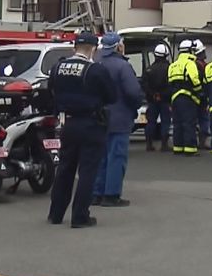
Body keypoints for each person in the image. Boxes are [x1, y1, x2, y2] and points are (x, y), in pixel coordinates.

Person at [47, 32, 115, 229]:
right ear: (94, 49)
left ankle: (56, 213)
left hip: (67, 123)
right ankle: (80, 216)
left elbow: (51, 91)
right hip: (91, 125)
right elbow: (112, 96)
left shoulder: (58, 67)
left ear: (74, 47)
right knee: (87, 172)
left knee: (65, 169)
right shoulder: (95, 70)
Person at [91, 33, 144, 207]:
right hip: (119, 118)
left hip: (98, 118)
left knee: (100, 157)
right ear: (118, 47)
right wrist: (134, 108)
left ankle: (96, 192)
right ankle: (111, 194)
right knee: (116, 156)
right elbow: (133, 92)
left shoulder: (95, 64)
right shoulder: (123, 66)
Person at [169, 39, 203, 155]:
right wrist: (199, 92)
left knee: (177, 123)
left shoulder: (173, 65)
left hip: (175, 98)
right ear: (189, 51)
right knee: (189, 123)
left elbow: (170, 82)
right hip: (188, 98)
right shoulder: (190, 63)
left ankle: (178, 147)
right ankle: (190, 148)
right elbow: (194, 79)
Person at [142, 43, 172, 152]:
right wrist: (162, 95)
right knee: (165, 121)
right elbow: (171, 85)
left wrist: (154, 95)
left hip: (152, 100)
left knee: (151, 122)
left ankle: (149, 144)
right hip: (165, 100)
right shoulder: (169, 68)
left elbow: (144, 85)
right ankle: (164, 145)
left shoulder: (149, 69)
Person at [192, 40, 211, 151]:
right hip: (201, 97)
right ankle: (202, 142)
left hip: (195, 96)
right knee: (203, 119)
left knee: (195, 120)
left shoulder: (193, 64)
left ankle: (197, 141)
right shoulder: (202, 66)